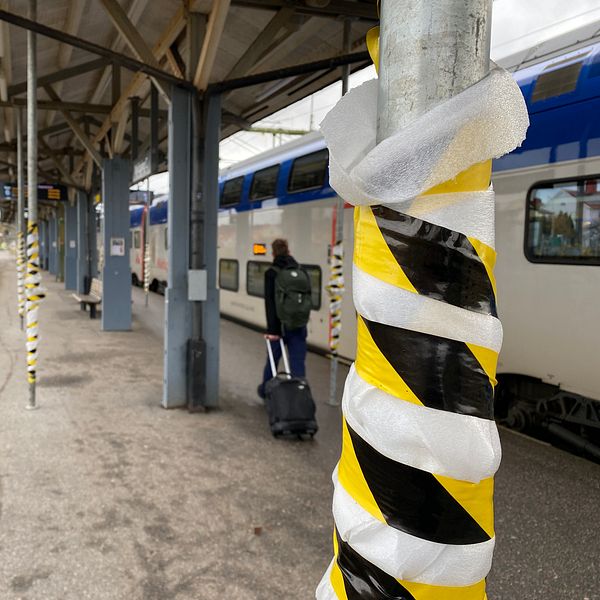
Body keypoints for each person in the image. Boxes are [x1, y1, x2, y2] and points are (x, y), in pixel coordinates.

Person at [257, 238, 311, 399]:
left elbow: (270, 305)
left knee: (272, 362)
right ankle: (299, 396)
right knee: (297, 364)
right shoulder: (302, 271)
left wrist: (272, 330)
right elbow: (307, 299)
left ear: (273, 253)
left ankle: (265, 392)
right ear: (289, 251)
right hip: (299, 326)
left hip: (278, 328)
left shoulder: (271, 273)